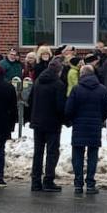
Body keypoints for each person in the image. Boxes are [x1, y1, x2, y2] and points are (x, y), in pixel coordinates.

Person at [63, 63, 107, 195]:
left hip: (79, 126)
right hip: (95, 126)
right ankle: (90, 183)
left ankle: (78, 184)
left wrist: (73, 119)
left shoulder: (76, 89)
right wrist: (99, 118)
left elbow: (68, 110)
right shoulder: (102, 89)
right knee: (92, 155)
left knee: (77, 155)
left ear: (82, 75)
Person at [29, 63, 67, 193]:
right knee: (52, 152)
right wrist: (65, 120)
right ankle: (48, 181)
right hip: (52, 123)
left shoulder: (38, 81)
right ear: (59, 71)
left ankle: (35, 182)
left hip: (37, 122)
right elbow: (60, 106)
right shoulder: (59, 85)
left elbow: (30, 100)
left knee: (38, 153)